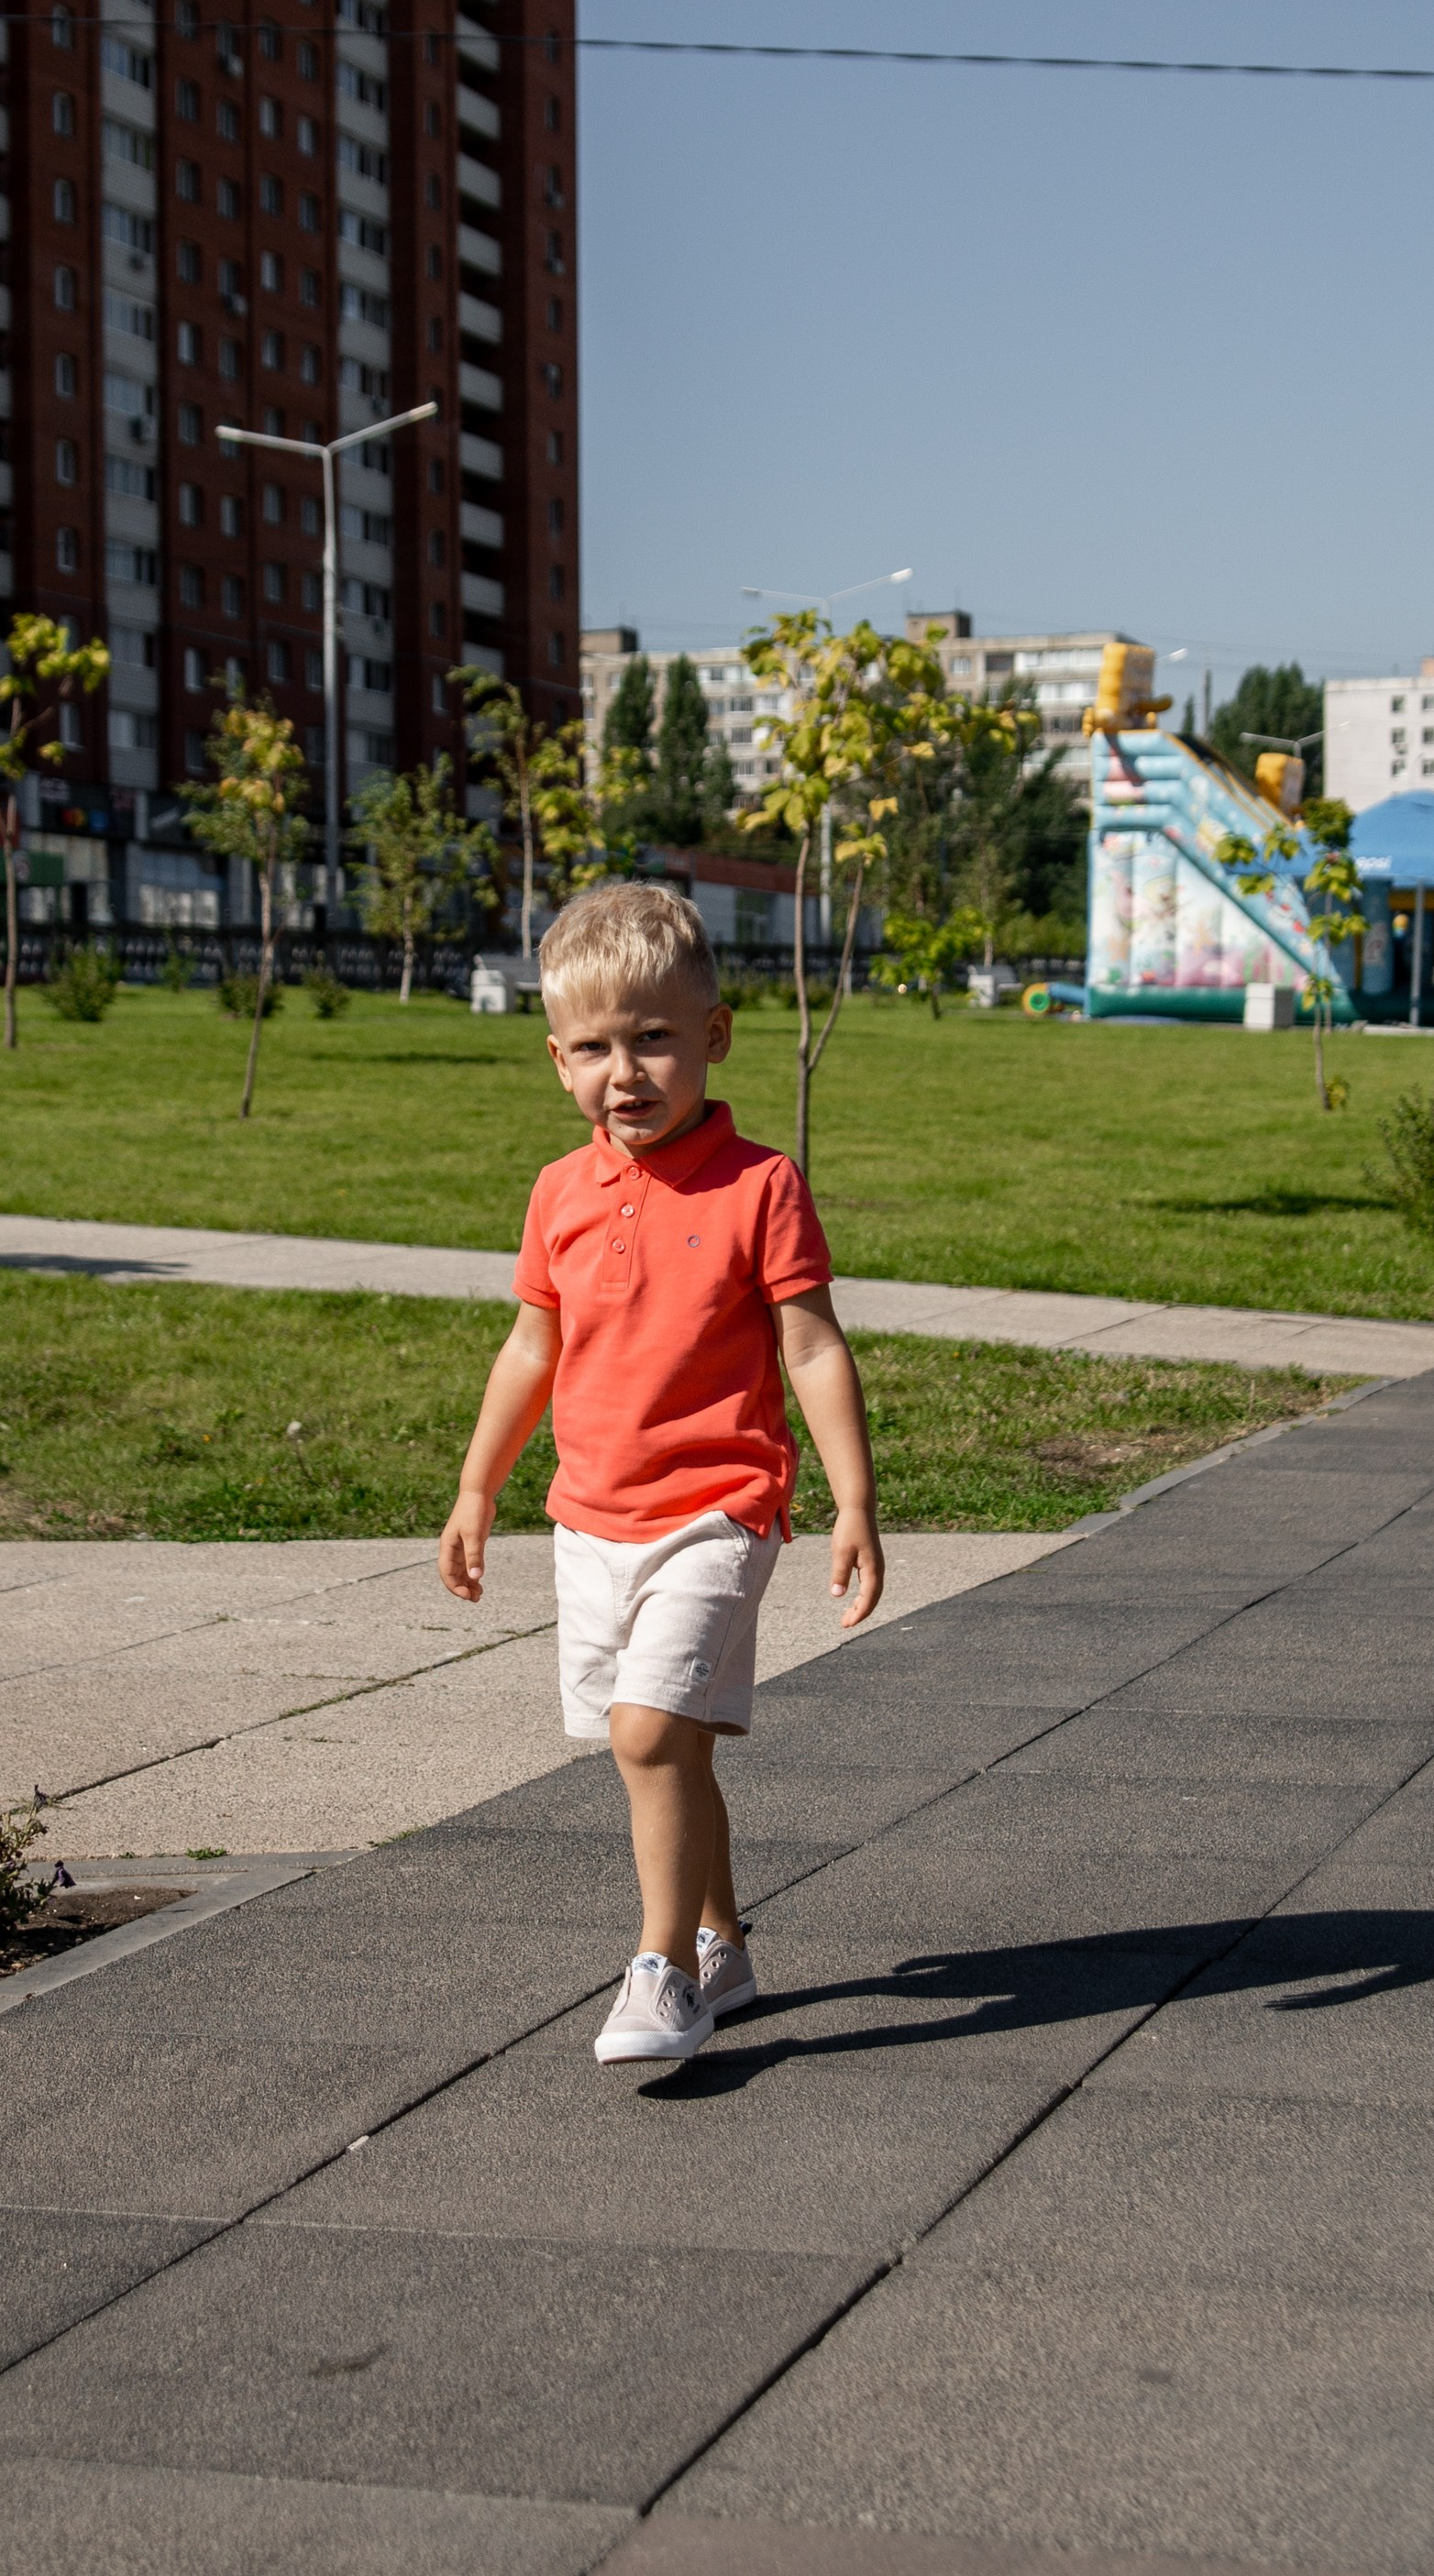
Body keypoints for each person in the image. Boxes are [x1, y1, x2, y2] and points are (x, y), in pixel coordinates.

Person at [439, 879, 884, 2064]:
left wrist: (852, 1499)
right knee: (666, 1750)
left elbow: (812, 1347)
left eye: (652, 1039)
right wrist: (479, 1486)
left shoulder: (760, 1185)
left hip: (719, 1510)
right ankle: (724, 1944)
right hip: (591, 1518)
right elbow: (531, 1346)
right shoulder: (559, 1192)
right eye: (593, 1048)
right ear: (557, 1060)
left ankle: (663, 1970)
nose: (624, 1072)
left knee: (644, 1735)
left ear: (715, 1036)